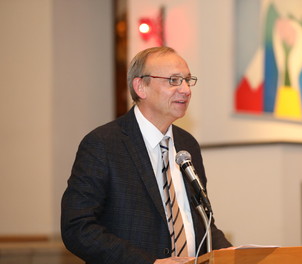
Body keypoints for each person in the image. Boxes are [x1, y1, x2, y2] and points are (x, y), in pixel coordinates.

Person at [61, 46, 232, 264]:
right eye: (173, 80)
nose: (186, 89)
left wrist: (236, 255)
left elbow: (202, 223)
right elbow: (77, 228)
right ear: (141, 87)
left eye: (188, 80)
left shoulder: (188, 145)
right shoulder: (103, 144)